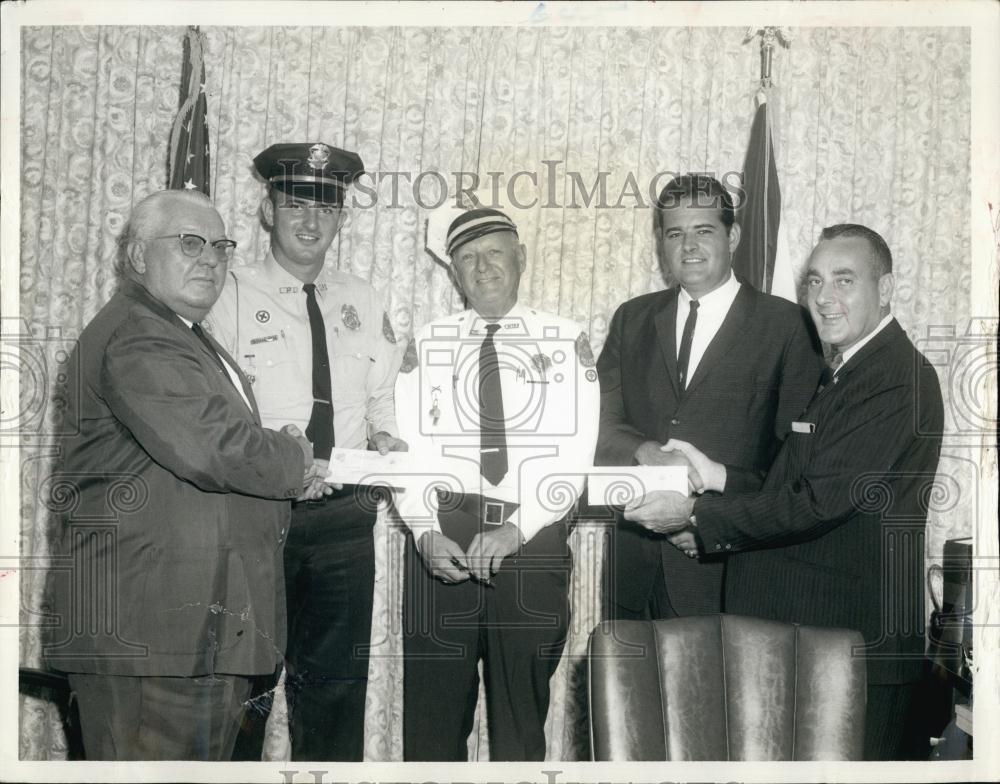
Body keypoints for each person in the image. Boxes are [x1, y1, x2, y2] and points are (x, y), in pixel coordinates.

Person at [631, 224, 945, 760]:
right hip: (815, 648)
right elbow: (798, 484)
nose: (824, 298)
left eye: (844, 281)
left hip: (850, 654)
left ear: (886, 288)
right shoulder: (848, 371)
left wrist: (699, 518)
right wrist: (714, 477)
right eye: (815, 282)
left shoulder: (896, 379)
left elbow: (820, 503)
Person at [44, 189, 314, 760]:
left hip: (183, 640)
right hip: (152, 642)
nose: (211, 258)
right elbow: (216, 447)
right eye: (189, 243)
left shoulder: (179, 333)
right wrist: (296, 459)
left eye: (220, 246)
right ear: (139, 256)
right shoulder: (140, 333)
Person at [205, 141, 406, 761]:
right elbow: (214, 410)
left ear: (342, 217)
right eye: (295, 204)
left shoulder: (363, 299)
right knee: (245, 692)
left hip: (345, 523)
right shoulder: (228, 295)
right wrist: (274, 452)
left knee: (336, 694)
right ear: (267, 210)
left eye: (326, 206)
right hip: (261, 519)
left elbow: (380, 399)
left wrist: (386, 440)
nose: (310, 221)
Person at [394, 206, 600, 760]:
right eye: (467, 259)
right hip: (445, 534)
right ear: (454, 273)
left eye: (494, 254)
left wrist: (517, 529)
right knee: (432, 724)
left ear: (521, 260)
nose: (482, 268)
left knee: (519, 722)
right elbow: (405, 450)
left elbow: (576, 452)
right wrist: (421, 531)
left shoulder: (565, 339)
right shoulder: (427, 343)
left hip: (531, 539)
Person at [595, 173, 823, 620]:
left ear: (733, 235)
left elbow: (793, 463)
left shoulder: (788, 327)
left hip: (726, 568)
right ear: (662, 243)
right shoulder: (633, 318)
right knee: (625, 691)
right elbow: (598, 421)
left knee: (714, 692)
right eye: (675, 233)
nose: (689, 246)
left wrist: (705, 516)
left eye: (704, 231)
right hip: (633, 568)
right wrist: (645, 452)